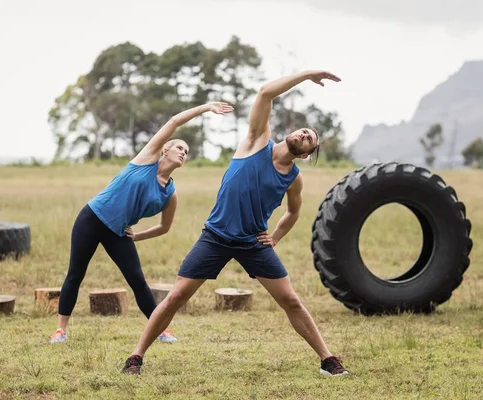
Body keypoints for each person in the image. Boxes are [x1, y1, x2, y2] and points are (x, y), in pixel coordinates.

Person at [121, 70, 349, 376]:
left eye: (310, 139)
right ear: (292, 133)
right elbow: (266, 92)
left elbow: (294, 212)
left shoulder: (294, 178)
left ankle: (327, 360)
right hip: (215, 235)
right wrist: (307, 75)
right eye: (304, 131)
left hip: (253, 242)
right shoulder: (257, 141)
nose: (305, 135)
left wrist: (276, 238)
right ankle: (136, 357)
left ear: (306, 153)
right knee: (176, 296)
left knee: (291, 300)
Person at [49, 101, 234, 344]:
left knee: (137, 279)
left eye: (186, 152)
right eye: (179, 147)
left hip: (117, 231)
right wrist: (206, 108)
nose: (183, 153)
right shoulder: (146, 158)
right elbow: (174, 122)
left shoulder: (170, 193)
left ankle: (160, 330)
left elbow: (165, 227)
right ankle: (60, 330)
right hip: (92, 217)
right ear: (165, 150)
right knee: (75, 274)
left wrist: (137, 236)